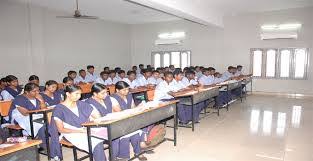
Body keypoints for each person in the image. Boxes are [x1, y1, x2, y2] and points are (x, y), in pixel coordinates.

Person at [50, 85, 108, 161]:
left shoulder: (81, 104)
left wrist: (98, 119)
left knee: (110, 133)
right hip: (71, 132)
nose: (79, 96)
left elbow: (97, 116)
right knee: (96, 142)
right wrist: (80, 131)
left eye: (80, 94)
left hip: (85, 129)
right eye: (76, 94)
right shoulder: (59, 109)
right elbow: (61, 129)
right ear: (68, 94)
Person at [110, 81, 148, 161]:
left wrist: (139, 107)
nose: (127, 91)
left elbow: (132, 107)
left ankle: (138, 151)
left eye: (128, 89)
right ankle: (124, 156)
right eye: (124, 90)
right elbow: (119, 112)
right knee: (130, 130)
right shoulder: (112, 98)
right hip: (118, 120)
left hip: (128, 117)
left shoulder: (129, 95)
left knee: (142, 122)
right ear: (117, 90)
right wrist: (133, 111)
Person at [9, 83, 48, 148]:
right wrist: (37, 112)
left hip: (35, 115)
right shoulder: (19, 98)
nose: (37, 92)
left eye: (38, 90)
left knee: (48, 120)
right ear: (27, 92)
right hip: (21, 117)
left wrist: (41, 101)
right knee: (42, 123)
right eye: (34, 91)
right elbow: (25, 113)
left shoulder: (38, 97)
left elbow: (44, 109)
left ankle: (45, 142)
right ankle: (43, 146)